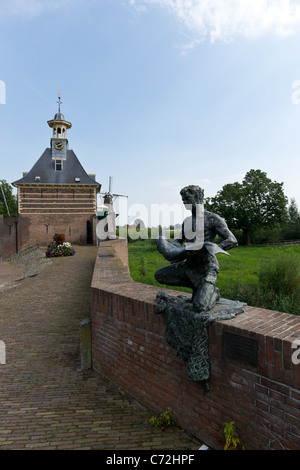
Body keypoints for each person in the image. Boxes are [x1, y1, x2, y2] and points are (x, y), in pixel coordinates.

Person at [155, 185, 238, 312]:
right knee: (160, 275)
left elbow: (232, 240)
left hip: (206, 268)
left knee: (199, 307)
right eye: (183, 199)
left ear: (198, 197)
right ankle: (197, 288)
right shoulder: (187, 221)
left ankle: (213, 294)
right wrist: (172, 248)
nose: (184, 202)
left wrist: (209, 249)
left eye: (187, 198)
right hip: (189, 265)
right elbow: (178, 240)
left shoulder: (213, 218)